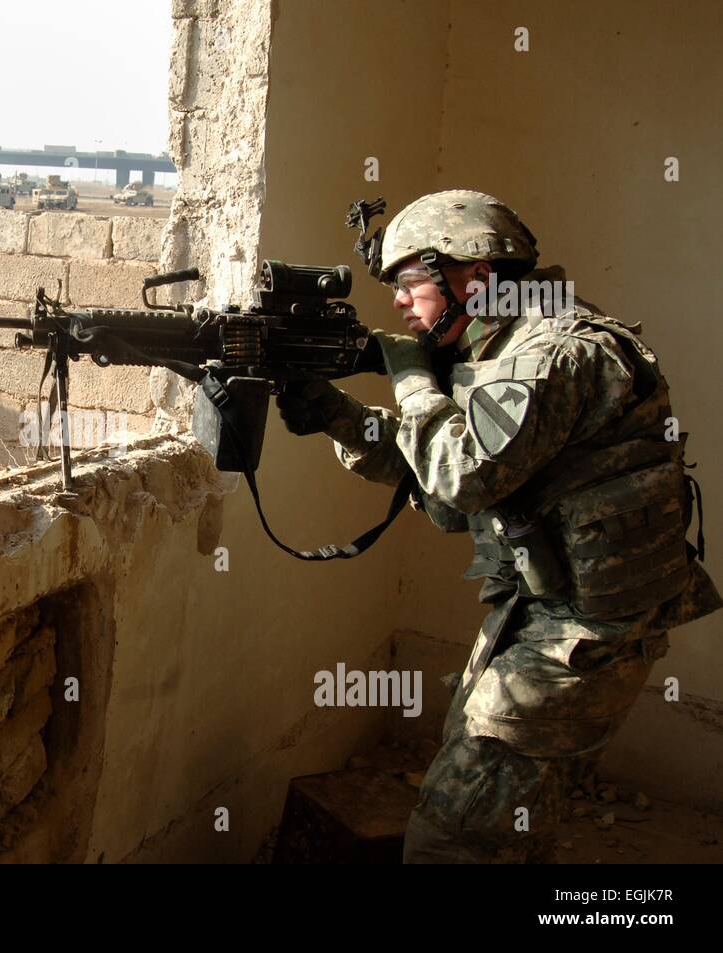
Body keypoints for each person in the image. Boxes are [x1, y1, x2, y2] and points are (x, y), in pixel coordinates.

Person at [278, 190, 721, 863]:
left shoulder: (555, 354)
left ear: (475, 279)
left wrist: (409, 378)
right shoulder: (500, 348)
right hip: (542, 616)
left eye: (409, 283)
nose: (399, 303)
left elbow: (462, 477)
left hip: (585, 634)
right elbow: (452, 494)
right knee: (496, 811)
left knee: (455, 839)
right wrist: (340, 416)